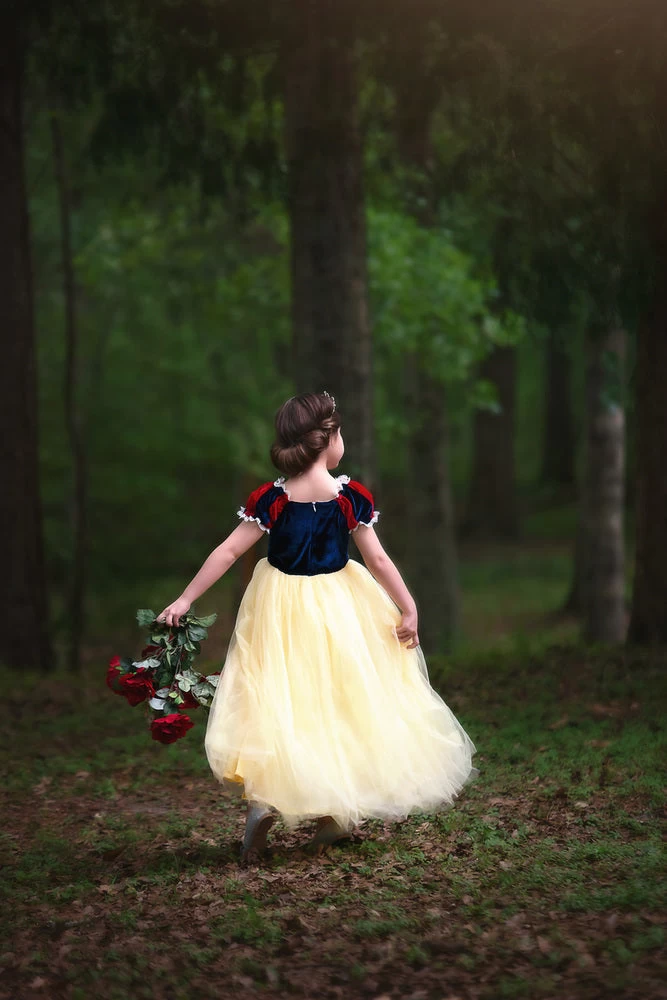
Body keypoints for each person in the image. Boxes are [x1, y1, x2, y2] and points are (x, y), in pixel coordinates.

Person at [157, 391, 478, 863]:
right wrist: (408, 606)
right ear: (327, 440)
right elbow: (377, 559)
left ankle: (268, 802)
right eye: (340, 432)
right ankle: (333, 814)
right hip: (340, 606)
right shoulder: (348, 497)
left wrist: (186, 598)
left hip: (278, 607)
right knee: (341, 699)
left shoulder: (271, 499)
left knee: (281, 699)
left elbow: (228, 551)